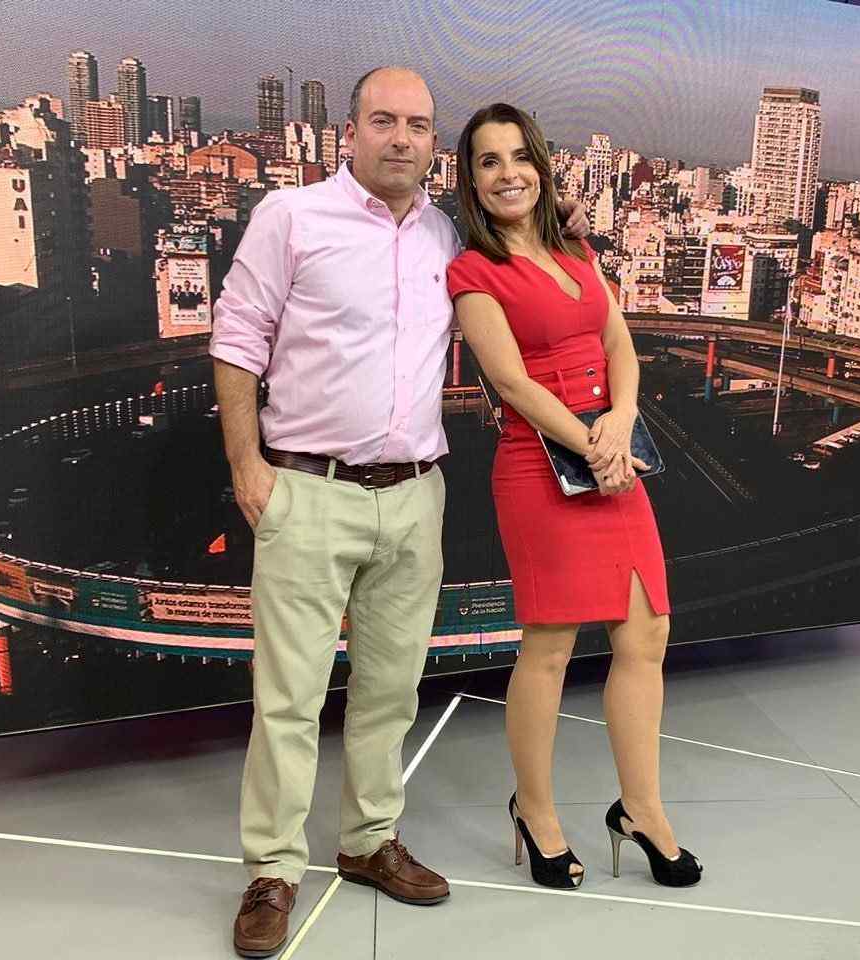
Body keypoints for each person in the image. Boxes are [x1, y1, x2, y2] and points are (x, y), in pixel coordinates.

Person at [209, 71, 588, 957]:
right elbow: (236, 339)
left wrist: (565, 237)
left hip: (416, 495)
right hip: (308, 489)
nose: (401, 139)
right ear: (350, 131)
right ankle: (272, 871)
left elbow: (522, 289)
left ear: (432, 144)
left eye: (418, 125)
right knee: (289, 700)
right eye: (384, 121)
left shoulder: (447, 236)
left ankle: (369, 841)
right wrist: (248, 469)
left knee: (390, 691)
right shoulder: (291, 217)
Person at [446, 103, 702, 891]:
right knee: (550, 649)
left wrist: (620, 422)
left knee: (646, 635)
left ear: (542, 165)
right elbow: (512, 383)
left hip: (613, 457)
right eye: (488, 161)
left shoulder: (576, 249)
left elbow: (617, 341)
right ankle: (536, 810)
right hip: (539, 469)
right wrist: (595, 445)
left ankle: (642, 810)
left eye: (519, 156)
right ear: (471, 181)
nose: (508, 173)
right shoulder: (473, 272)